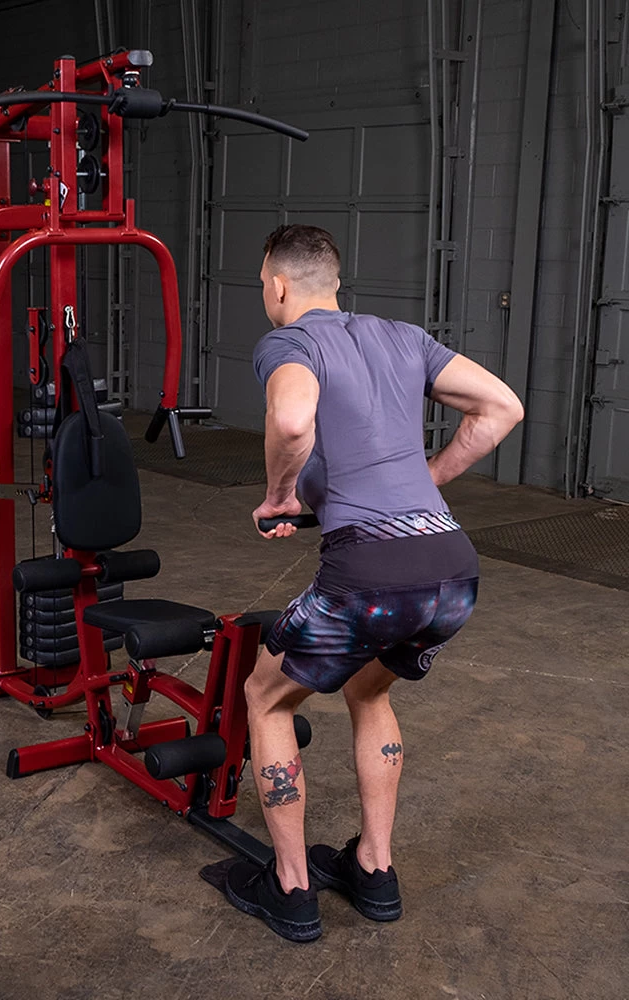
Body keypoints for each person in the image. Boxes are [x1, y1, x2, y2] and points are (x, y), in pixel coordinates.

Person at [222, 224, 524, 942]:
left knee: (265, 697)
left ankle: (291, 887)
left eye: (263, 283)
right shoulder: (404, 337)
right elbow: (502, 408)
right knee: (368, 687)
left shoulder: (288, 343)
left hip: (371, 575)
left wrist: (278, 495)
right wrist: (428, 479)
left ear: (278, 285)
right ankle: (374, 869)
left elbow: (291, 420)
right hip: (452, 571)